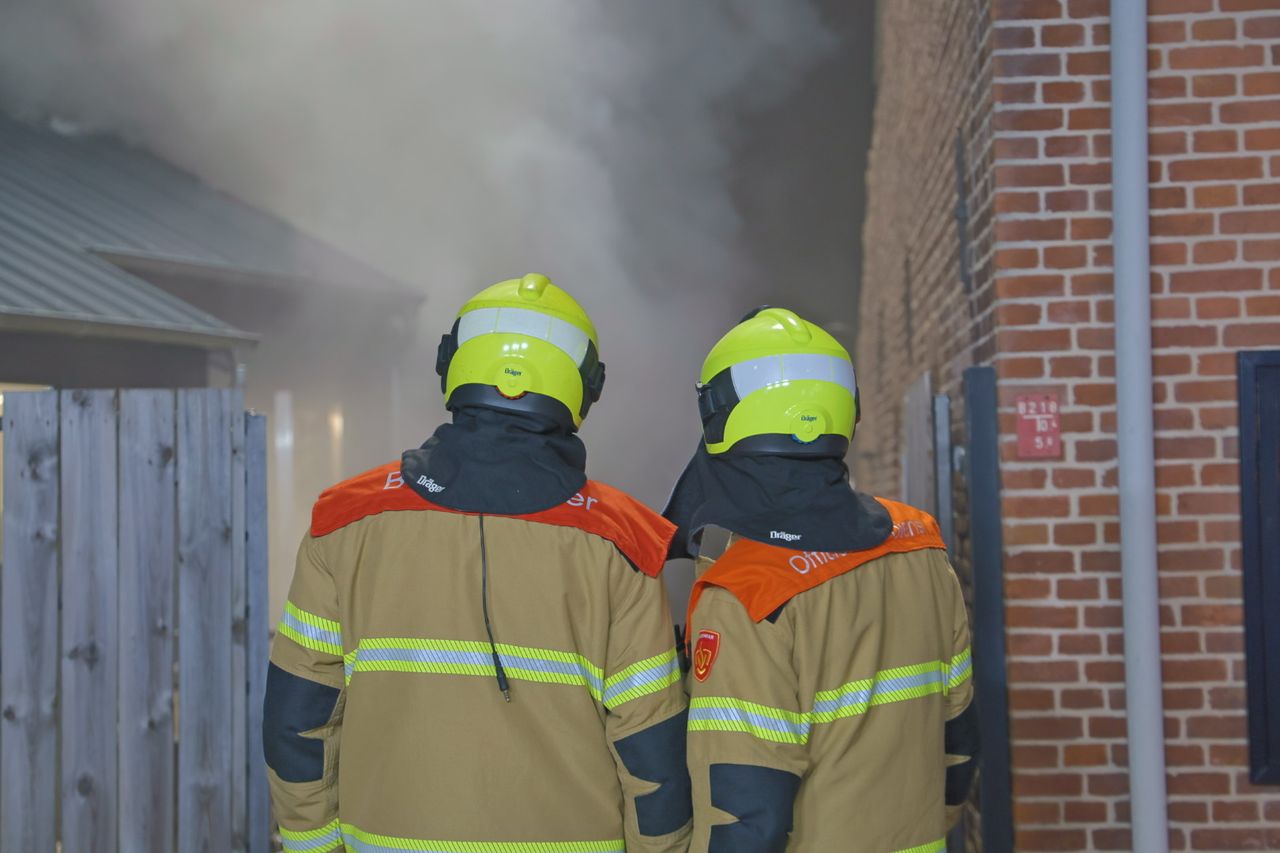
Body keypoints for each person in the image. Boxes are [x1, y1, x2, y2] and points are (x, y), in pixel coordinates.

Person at [263, 274, 691, 853]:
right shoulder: (623, 542)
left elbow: (297, 719)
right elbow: (652, 747)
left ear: (452, 367)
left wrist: (312, 847)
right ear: (585, 388)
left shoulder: (344, 521)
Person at [663, 307, 977, 852]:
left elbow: (744, 815)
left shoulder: (748, 593)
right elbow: (960, 735)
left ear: (720, 419)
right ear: (845, 413)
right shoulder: (920, 542)